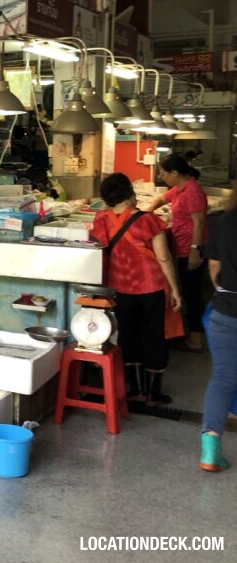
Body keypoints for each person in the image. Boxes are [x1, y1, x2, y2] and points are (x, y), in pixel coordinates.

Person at [91, 173, 182, 405]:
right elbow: (163, 258)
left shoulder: (102, 219)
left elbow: (99, 246)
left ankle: (136, 389)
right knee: (154, 336)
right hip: (151, 286)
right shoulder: (148, 220)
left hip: (120, 287)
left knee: (129, 335)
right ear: (130, 192)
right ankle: (153, 393)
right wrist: (175, 289)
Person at [145, 153, 208, 352]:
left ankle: (196, 339)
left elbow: (199, 223)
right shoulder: (179, 188)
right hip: (181, 246)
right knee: (188, 291)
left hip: (191, 248)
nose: (162, 177)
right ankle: (191, 333)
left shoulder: (192, 191)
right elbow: (161, 199)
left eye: (164, 173)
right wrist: (146, 213)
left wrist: (195, 251)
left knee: (192, 294)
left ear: (175, 172)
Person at [199, 183, 237, 472]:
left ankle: (210, 452)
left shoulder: (224, 221)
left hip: (225, 310)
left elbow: (213, 266)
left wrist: (224, 290)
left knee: (223, 377)